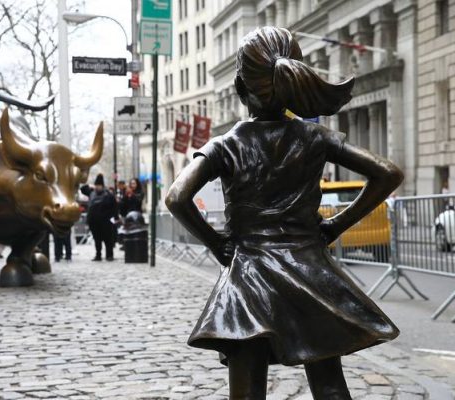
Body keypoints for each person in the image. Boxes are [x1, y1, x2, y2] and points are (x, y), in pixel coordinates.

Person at [165, 27, 403, 400]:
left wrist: (217, 245)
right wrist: (336, 225)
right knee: (328, 383)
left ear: (241, 88)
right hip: (310, 270)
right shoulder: (314, 138)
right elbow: (388, 173)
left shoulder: (225, 145)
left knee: (246, 387)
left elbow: (177, 197)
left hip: (248, 276)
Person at [81, 173, 117, 261]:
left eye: (99, 185)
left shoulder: (108, 194)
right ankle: (98, 255)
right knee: (97, 240)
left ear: (102, 186)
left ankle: (109, 255)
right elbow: (82, 188)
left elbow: (114, 207)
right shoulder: (92, 193)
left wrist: (114, 218)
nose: (97, 187)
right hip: (94, 221)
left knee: (108, 239)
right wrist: (90, 185)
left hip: (106, 221)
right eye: (96, 185)